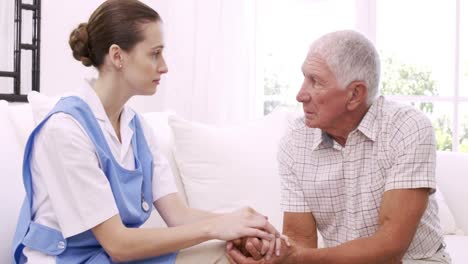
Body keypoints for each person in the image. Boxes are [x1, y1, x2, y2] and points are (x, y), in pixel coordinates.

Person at [11, 1, 283, 263]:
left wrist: (243, 226)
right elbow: (117, 244)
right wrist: (215, 228)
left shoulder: (137, 129)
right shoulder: (66, 131)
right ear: (118, 56)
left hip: (113, 258)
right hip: (67, 260)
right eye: (155, 53)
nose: (164, 66)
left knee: (230, 256)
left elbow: (179, 216)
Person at [225, 30, 451, 264]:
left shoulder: (407, 128)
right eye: (304, 78)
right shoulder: (295, 141)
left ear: (354, 94)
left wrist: (296, 257)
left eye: (316, 82)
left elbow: (390, 247)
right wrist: (271, 252)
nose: (300, 95)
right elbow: (300, 243)